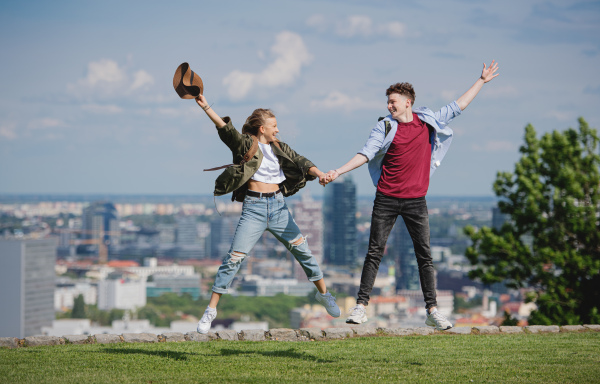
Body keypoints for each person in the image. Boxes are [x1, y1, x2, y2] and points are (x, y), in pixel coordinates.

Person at [325, 60, 499, 330]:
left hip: (416, 200)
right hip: (386, 198)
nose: (389, 106)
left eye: (393, 101)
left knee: (424, 256)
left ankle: (432, 311)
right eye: (387, 102)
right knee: (374, 252)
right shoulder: (384, 127)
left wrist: (481, 81)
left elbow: (458, 106)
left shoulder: (427, 121)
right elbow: (366, 153)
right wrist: (339, 171)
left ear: (408, 102)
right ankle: (361, 306)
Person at [194, 94, 340, 334]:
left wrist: (321, 173)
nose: (278, 130)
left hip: (280, 208)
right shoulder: (246, 145)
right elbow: (225, 129)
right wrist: (205, 106)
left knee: (304, 252)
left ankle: (324, 295)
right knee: (233, 259)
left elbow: (302, 162)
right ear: (262, 129)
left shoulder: (280, 148)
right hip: (254, 209)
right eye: (274, 126)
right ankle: (210, 311)